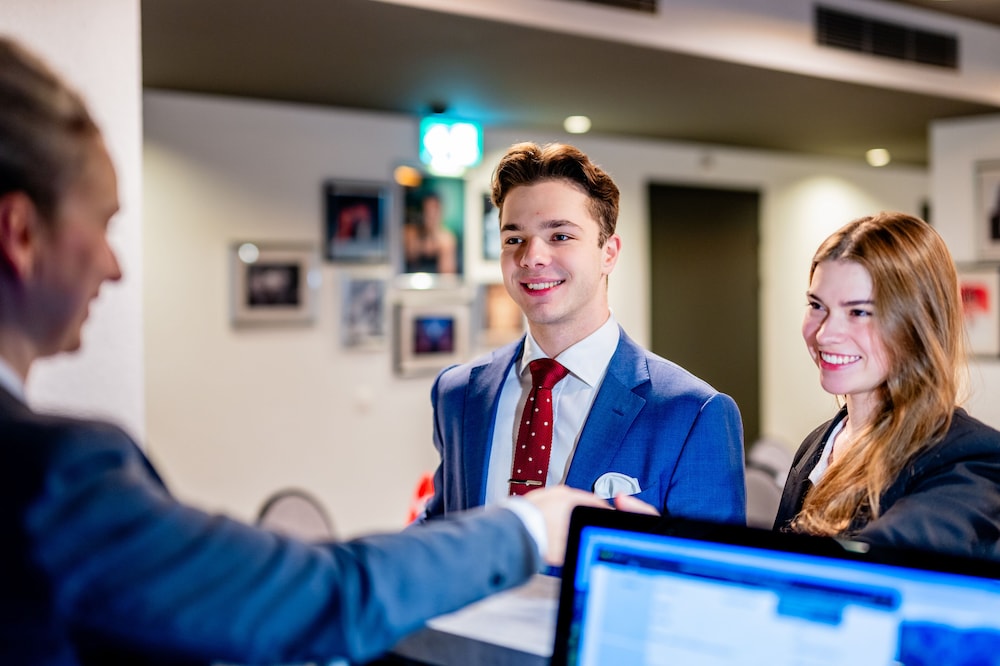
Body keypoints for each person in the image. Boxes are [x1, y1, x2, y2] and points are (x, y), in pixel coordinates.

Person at [0, 36, 621, 665]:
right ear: (20, 233)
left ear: (608, 253)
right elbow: (325, 597)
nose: (114, 266)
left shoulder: (680, 406)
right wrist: (530, 526)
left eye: (560, 236)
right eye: (103, 225)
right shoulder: (52, 473)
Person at [421, 141, 746, 523]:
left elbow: (711, 563)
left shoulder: (692, 413)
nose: (531, 257)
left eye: (560, 236)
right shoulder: (459, 394)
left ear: (609, 253)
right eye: (514, 239)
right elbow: (441, 530)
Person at [773, 211, 1000, 559]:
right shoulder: (817, 445)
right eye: (817, 305)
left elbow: (882, 565)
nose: (825, 334)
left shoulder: (970, 456)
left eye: (858, 312)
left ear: (917, 323)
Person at [402, 190, 457, 274]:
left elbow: (448, 273)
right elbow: (411, 255)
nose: (431, 214)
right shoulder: (410, 232)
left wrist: (434, 234)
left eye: (434, 210)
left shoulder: (447, 238)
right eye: (427, 210)